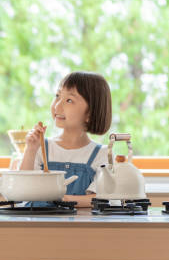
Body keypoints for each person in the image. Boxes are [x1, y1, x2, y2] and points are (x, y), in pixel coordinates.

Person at [20, 71, 113, 207]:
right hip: (36, 227)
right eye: (57, 96)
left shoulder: (102, 154)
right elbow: (22, 189)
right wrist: (30, 150)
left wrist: (60, 200)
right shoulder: (41, 147)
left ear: (90, 112)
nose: (57, 106)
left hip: (76, 228)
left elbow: (101, 199)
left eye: (69, 100)